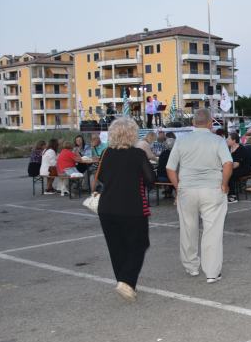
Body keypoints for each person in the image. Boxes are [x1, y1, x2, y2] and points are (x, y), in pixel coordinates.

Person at [166, 109, 233, 284]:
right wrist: (224, 184)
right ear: (211, 123)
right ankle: (211, 272)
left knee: (188, 229)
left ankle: (191, 266)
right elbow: (227, 163)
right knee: (212, 231)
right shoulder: (218, 140)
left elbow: (170, 168)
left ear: (193, 123)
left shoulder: (182, 141)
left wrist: (178, 187)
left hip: (187, 189)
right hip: (212, 189)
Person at [96, 117, 155, 301]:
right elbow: (150, 180)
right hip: (132, 207)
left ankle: (126, 283)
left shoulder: (106, 153)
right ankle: (126, 281)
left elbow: (102, 178)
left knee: (117, 247)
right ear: (132, 134)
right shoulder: (137, 155)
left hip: (107, 207)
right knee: (139, 244)